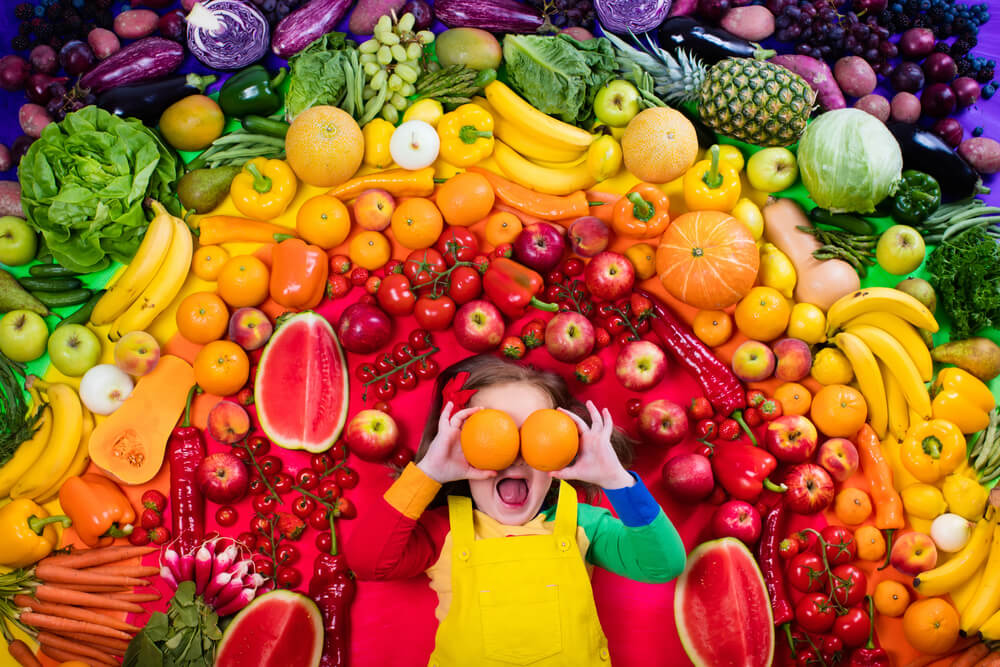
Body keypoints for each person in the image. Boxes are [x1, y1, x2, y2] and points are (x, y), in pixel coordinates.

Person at [346, 354, 686, 667]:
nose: (515, 454)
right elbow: (366, 561)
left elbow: (663, 564)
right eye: (493, 432)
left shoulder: (580, 523)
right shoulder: (445, 530)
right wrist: (429, 473)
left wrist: (616, 480)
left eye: (536, 434)